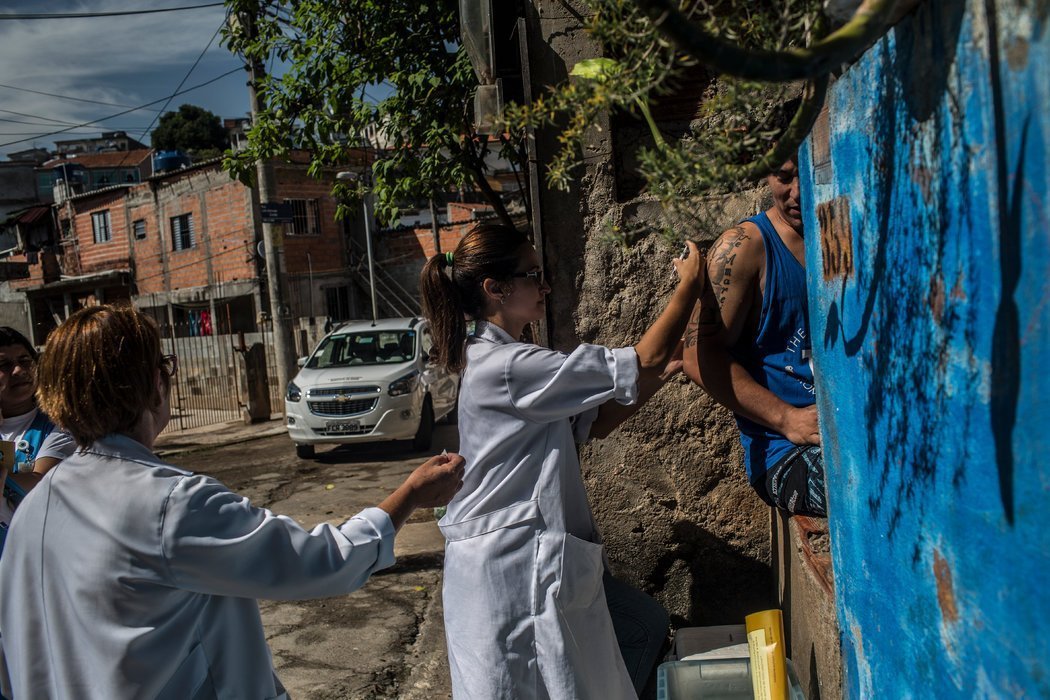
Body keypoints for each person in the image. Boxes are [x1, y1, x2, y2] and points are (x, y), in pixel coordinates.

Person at [0, 304, 465, 699]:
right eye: (163, 365)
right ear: (152, 385)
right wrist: (409, 497)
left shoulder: (37, 506)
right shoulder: (168, 502)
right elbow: (321, 563)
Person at [420, 223, 705, 699]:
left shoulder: (506, 360)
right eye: (533, 275)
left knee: (641, 627)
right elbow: (639, 356)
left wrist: (667, 369)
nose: (545, 286)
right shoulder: (508, 368)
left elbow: (594, 423)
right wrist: (689, 287)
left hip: (529, 559)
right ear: (496, 288)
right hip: (513, 570)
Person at [682, 155, 826, 517]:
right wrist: (787, 420)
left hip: (848, 428)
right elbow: (697, 357)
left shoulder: (846, 227)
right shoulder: (745, 247)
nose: (796, 193)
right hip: (787, 456)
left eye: (807, 175)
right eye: (784, 177)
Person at [0, 327, 76, 554]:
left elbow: (39, 485)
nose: (18, 370)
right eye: (4, 365)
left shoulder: (59, 425)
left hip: (38, 560)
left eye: (25, 360)